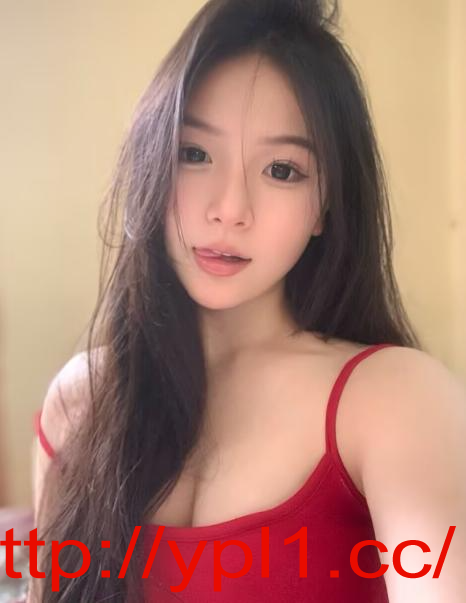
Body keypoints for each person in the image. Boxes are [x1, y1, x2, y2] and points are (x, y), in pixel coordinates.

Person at [29, 0, 466, 601]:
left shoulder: (392, 401)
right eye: (194, 154)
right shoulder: (79, 405)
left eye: (282, 170)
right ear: (152, 162)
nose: (230, 209)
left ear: (326, 206)